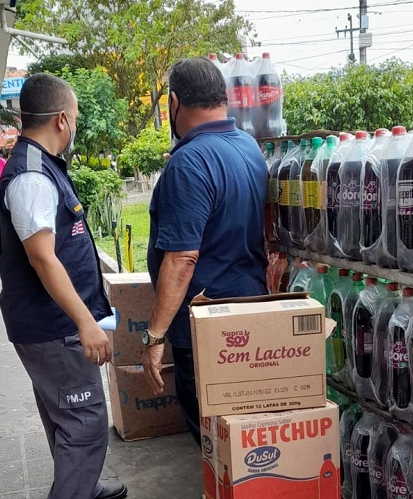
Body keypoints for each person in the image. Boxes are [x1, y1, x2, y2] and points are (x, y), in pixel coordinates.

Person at [0, 73, 127, 499]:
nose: (75, 125)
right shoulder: (32, 176)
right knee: (85, 425)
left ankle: (81, 486)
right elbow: (42, 257)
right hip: (55, 328)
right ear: (60, 120)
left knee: (64, 417)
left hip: (44, 323)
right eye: (75, 117)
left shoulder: (42, 166)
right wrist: (85, 322)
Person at [143, 57, 268, 445]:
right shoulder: (248, 147)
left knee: (216, 441)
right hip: (250, 312)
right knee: (244, 434)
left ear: (174, 103)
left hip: (205, 328)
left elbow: (181, 259)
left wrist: (154, 336)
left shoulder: (189, 162)